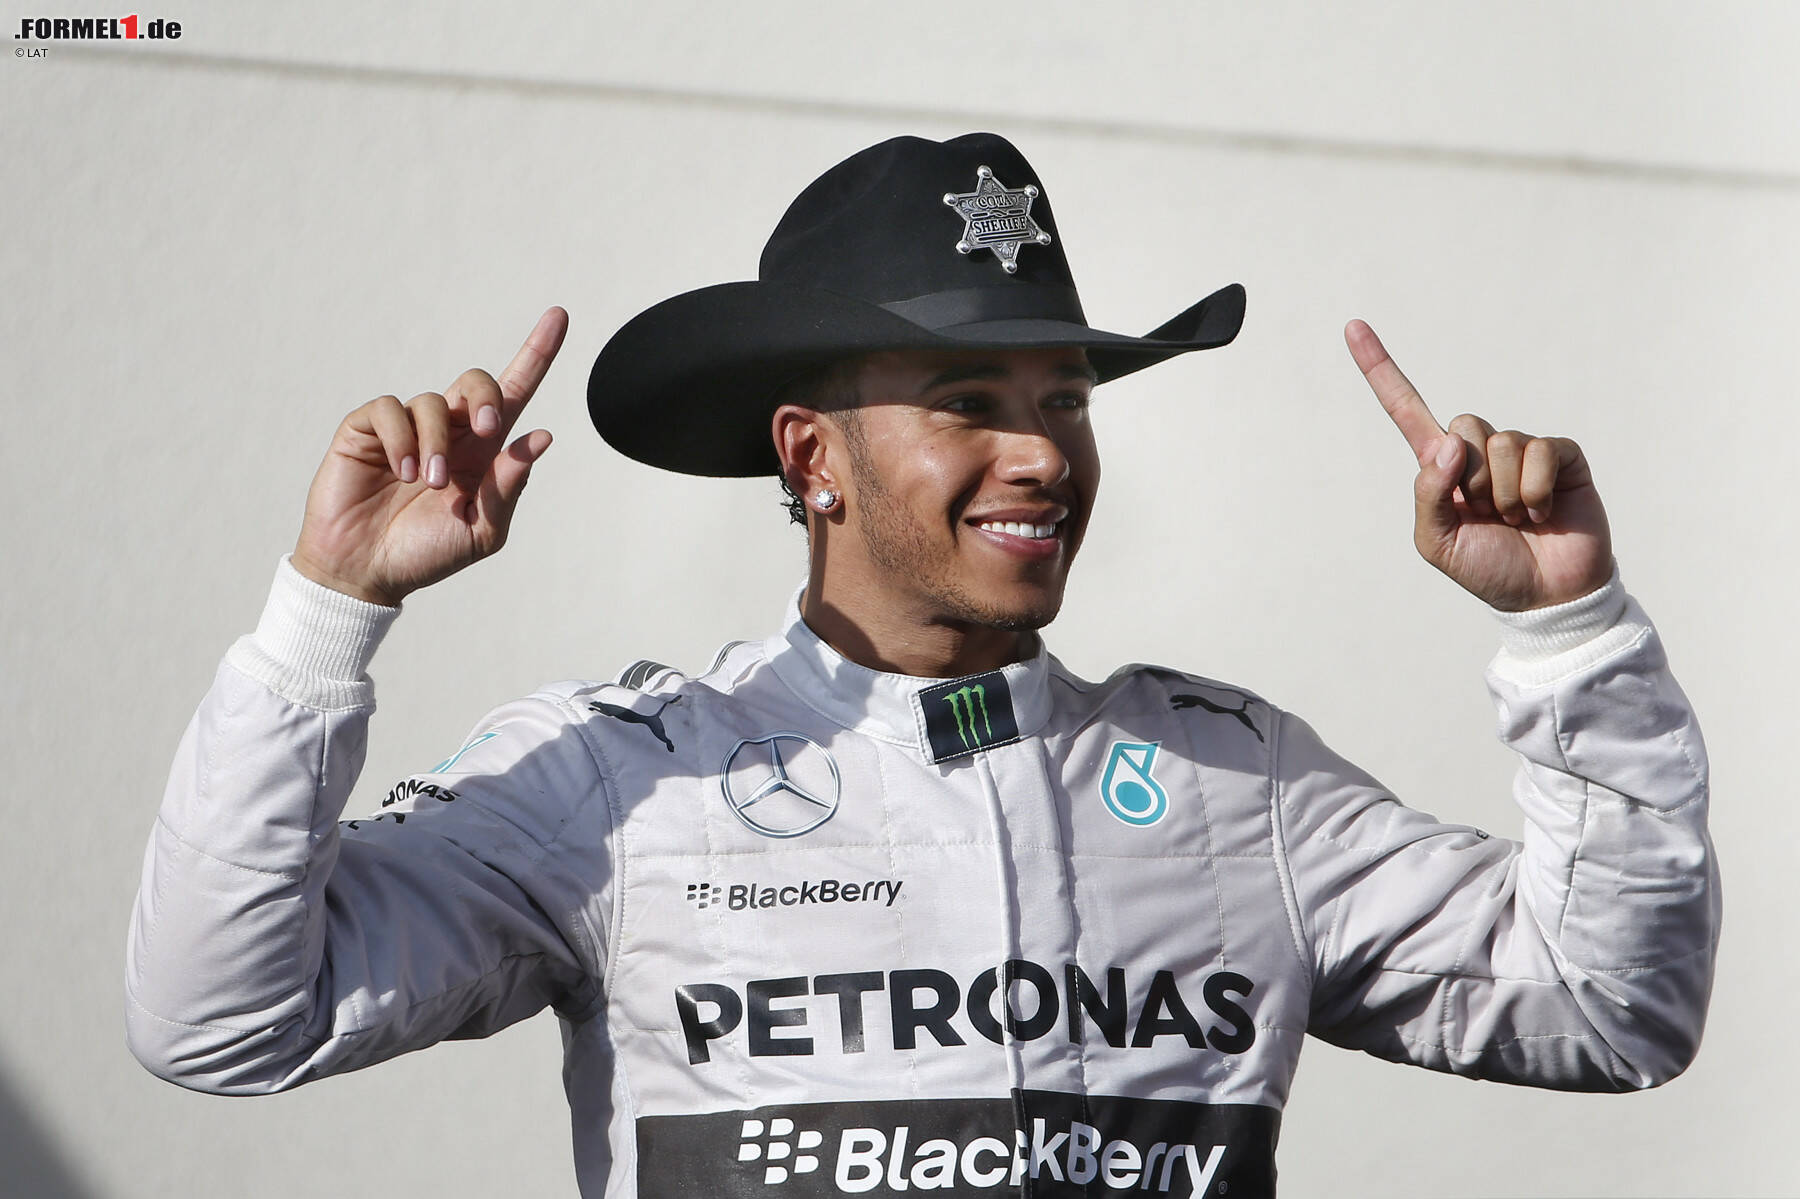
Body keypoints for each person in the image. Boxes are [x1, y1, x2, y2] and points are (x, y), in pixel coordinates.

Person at [125, 133, 1718, 1198]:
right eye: (969, 402)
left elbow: (1615, 1005)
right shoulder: (625, 775)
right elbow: (218, 1017)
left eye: (1067, 400)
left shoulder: (1239, 783)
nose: (1042, 454)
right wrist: (328, 611)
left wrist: (1569, 627)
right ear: (809, 456)